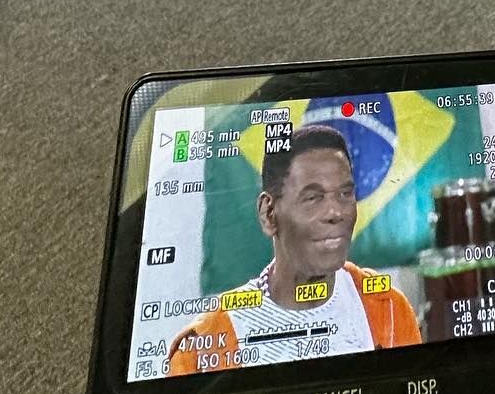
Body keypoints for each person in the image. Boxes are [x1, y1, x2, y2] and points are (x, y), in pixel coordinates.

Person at [167, 124, 420, 372]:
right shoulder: (205, 344)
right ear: (268, 214)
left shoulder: (388, 308)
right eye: (312, 197)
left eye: (345, 194)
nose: (336, 212)